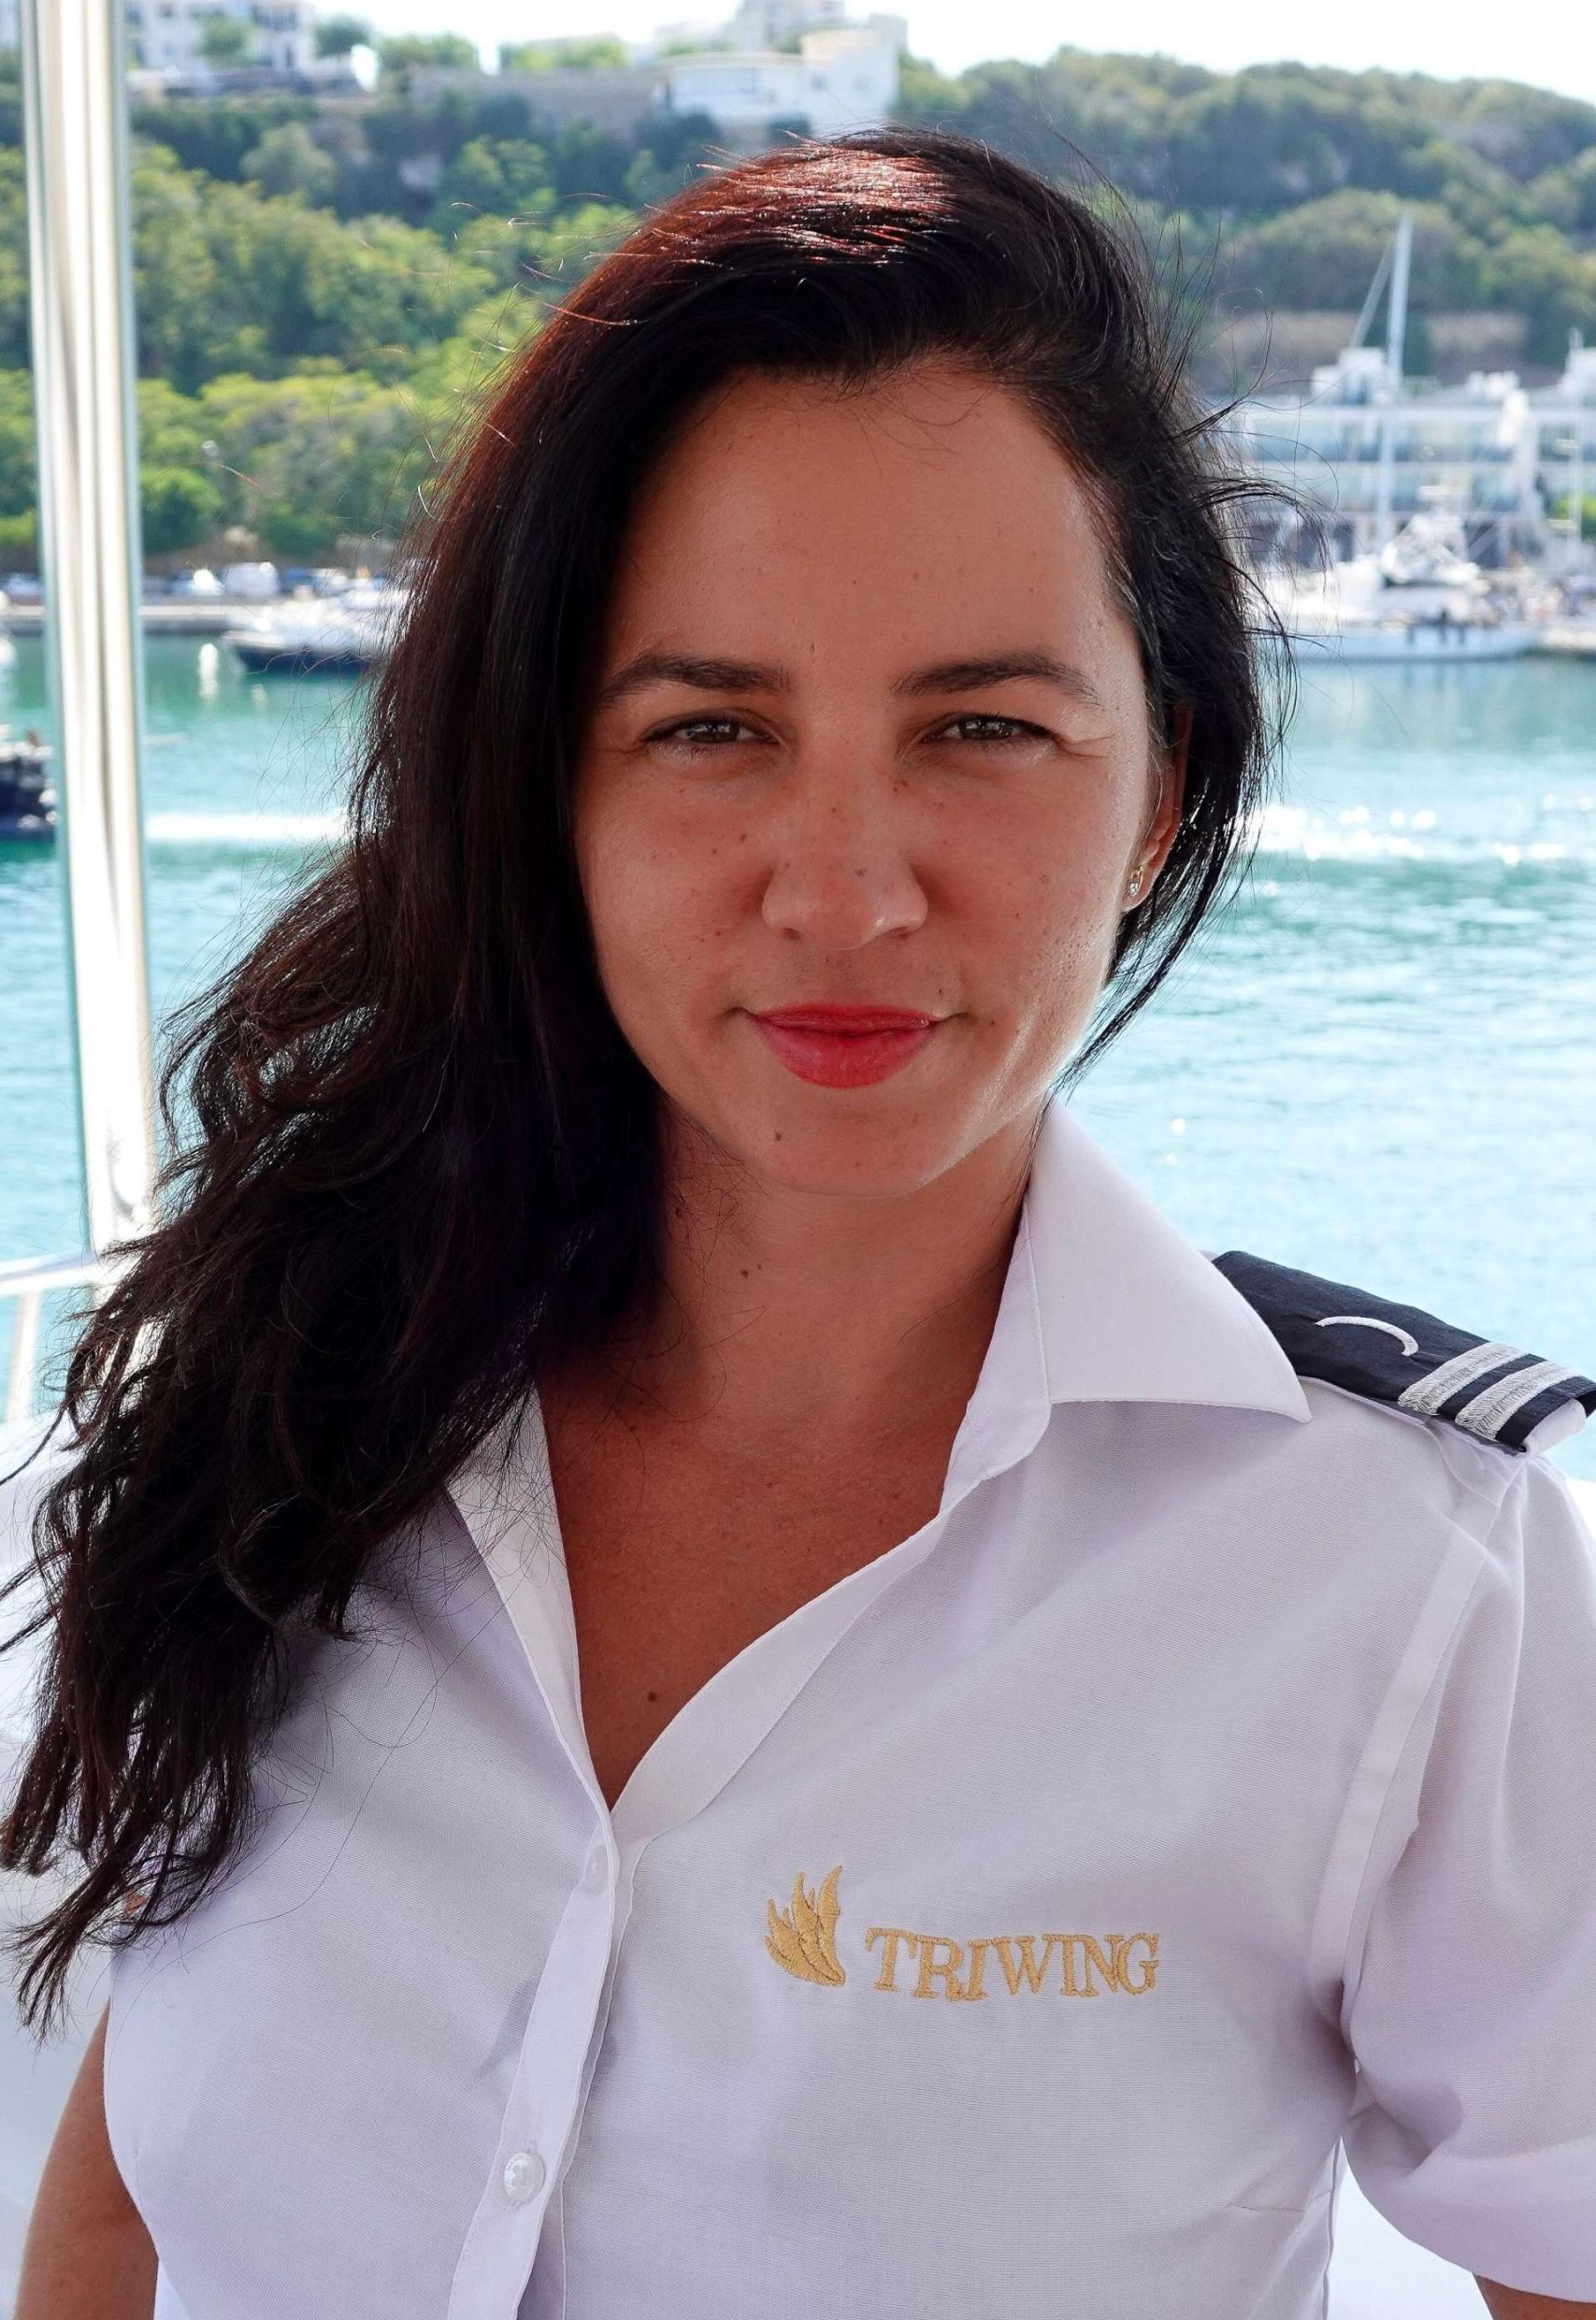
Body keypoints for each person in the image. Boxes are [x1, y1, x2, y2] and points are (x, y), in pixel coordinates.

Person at [2, 129, 1593, 2320]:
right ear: (544, 784)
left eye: (982, 726)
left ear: (1163, 787)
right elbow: (116, 2208)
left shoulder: (1406, 1575)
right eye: (711, 725)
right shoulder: (281, 1415)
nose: (842, 890)